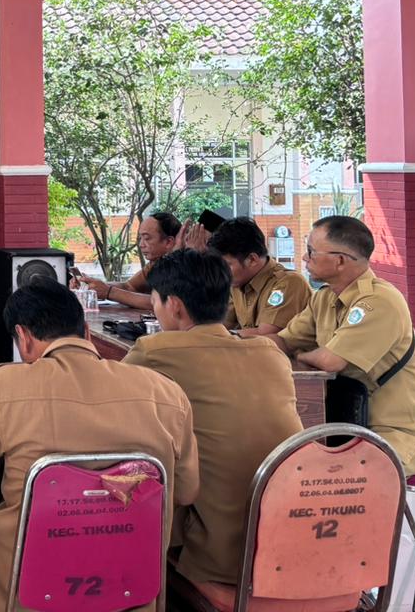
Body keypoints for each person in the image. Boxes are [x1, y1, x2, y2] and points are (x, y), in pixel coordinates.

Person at [0, 279, 199, 612]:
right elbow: (186, 493)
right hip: (131, 587)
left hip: (26, 591)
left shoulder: (5, 387)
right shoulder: (165, 392)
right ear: (86, 332)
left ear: (24, 337)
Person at [122, 249, 302, 588]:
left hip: (222, 558)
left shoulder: (155, 352)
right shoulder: (269, 354)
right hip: (294, 541)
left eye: (155, 303)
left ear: (174, 305)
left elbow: (104, 407)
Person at [269, 215, 415, 475]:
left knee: (341, 478)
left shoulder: (380, 302)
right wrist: (236, 345)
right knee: (295, 467)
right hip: (350, 425)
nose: (305, 259)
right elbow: (283, 340)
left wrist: (300, 354)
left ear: (340, 260)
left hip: (400, 432)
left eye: (311, 251)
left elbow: (332, 361)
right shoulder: (324, 299)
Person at [206, 216, 312, 334]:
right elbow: (220, 325)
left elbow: (266, 336)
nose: (221, 271)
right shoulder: (237, 284)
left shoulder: (288, 283)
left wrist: (219, 337)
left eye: (226, 265)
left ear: (252, 259)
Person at [75, 211, 182, 310]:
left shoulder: (183, 265)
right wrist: (92, 285)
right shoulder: (155, 264)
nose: (141, 245)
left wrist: (109, 292)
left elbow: (161, 302)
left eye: (147, 238)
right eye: (140, 238)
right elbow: (129, 286)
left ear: (168, 242)